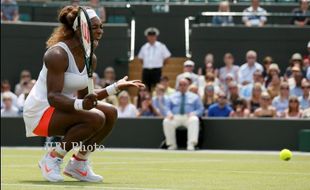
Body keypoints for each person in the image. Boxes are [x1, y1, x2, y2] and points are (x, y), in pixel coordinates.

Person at [22, 6, 144, 182]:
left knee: (110, 112)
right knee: (96, 117)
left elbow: (87, 98)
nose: (100, 31)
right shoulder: (57, 54)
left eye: (101, 26)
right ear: (80, 29)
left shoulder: (90, 58)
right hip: (40, 113)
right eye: (94, 27)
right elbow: (53, 97)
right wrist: (81, 105)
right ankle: (51, 158)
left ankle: (78, 163)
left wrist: (115, 87)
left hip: (63, 109)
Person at [163, 78, 204, 151]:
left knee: (194, 119)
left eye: (184, 85)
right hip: (175, 117)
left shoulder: (195, 97)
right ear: (178, 86)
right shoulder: (171, 96)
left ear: (188, 86)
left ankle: (191, 145)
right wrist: (169, 114)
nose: (182, 86)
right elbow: (166, 108)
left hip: (188, 117)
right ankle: (172, 145)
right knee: (166, 121)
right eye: (180, 85)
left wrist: (194, 113)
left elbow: (201, 109)